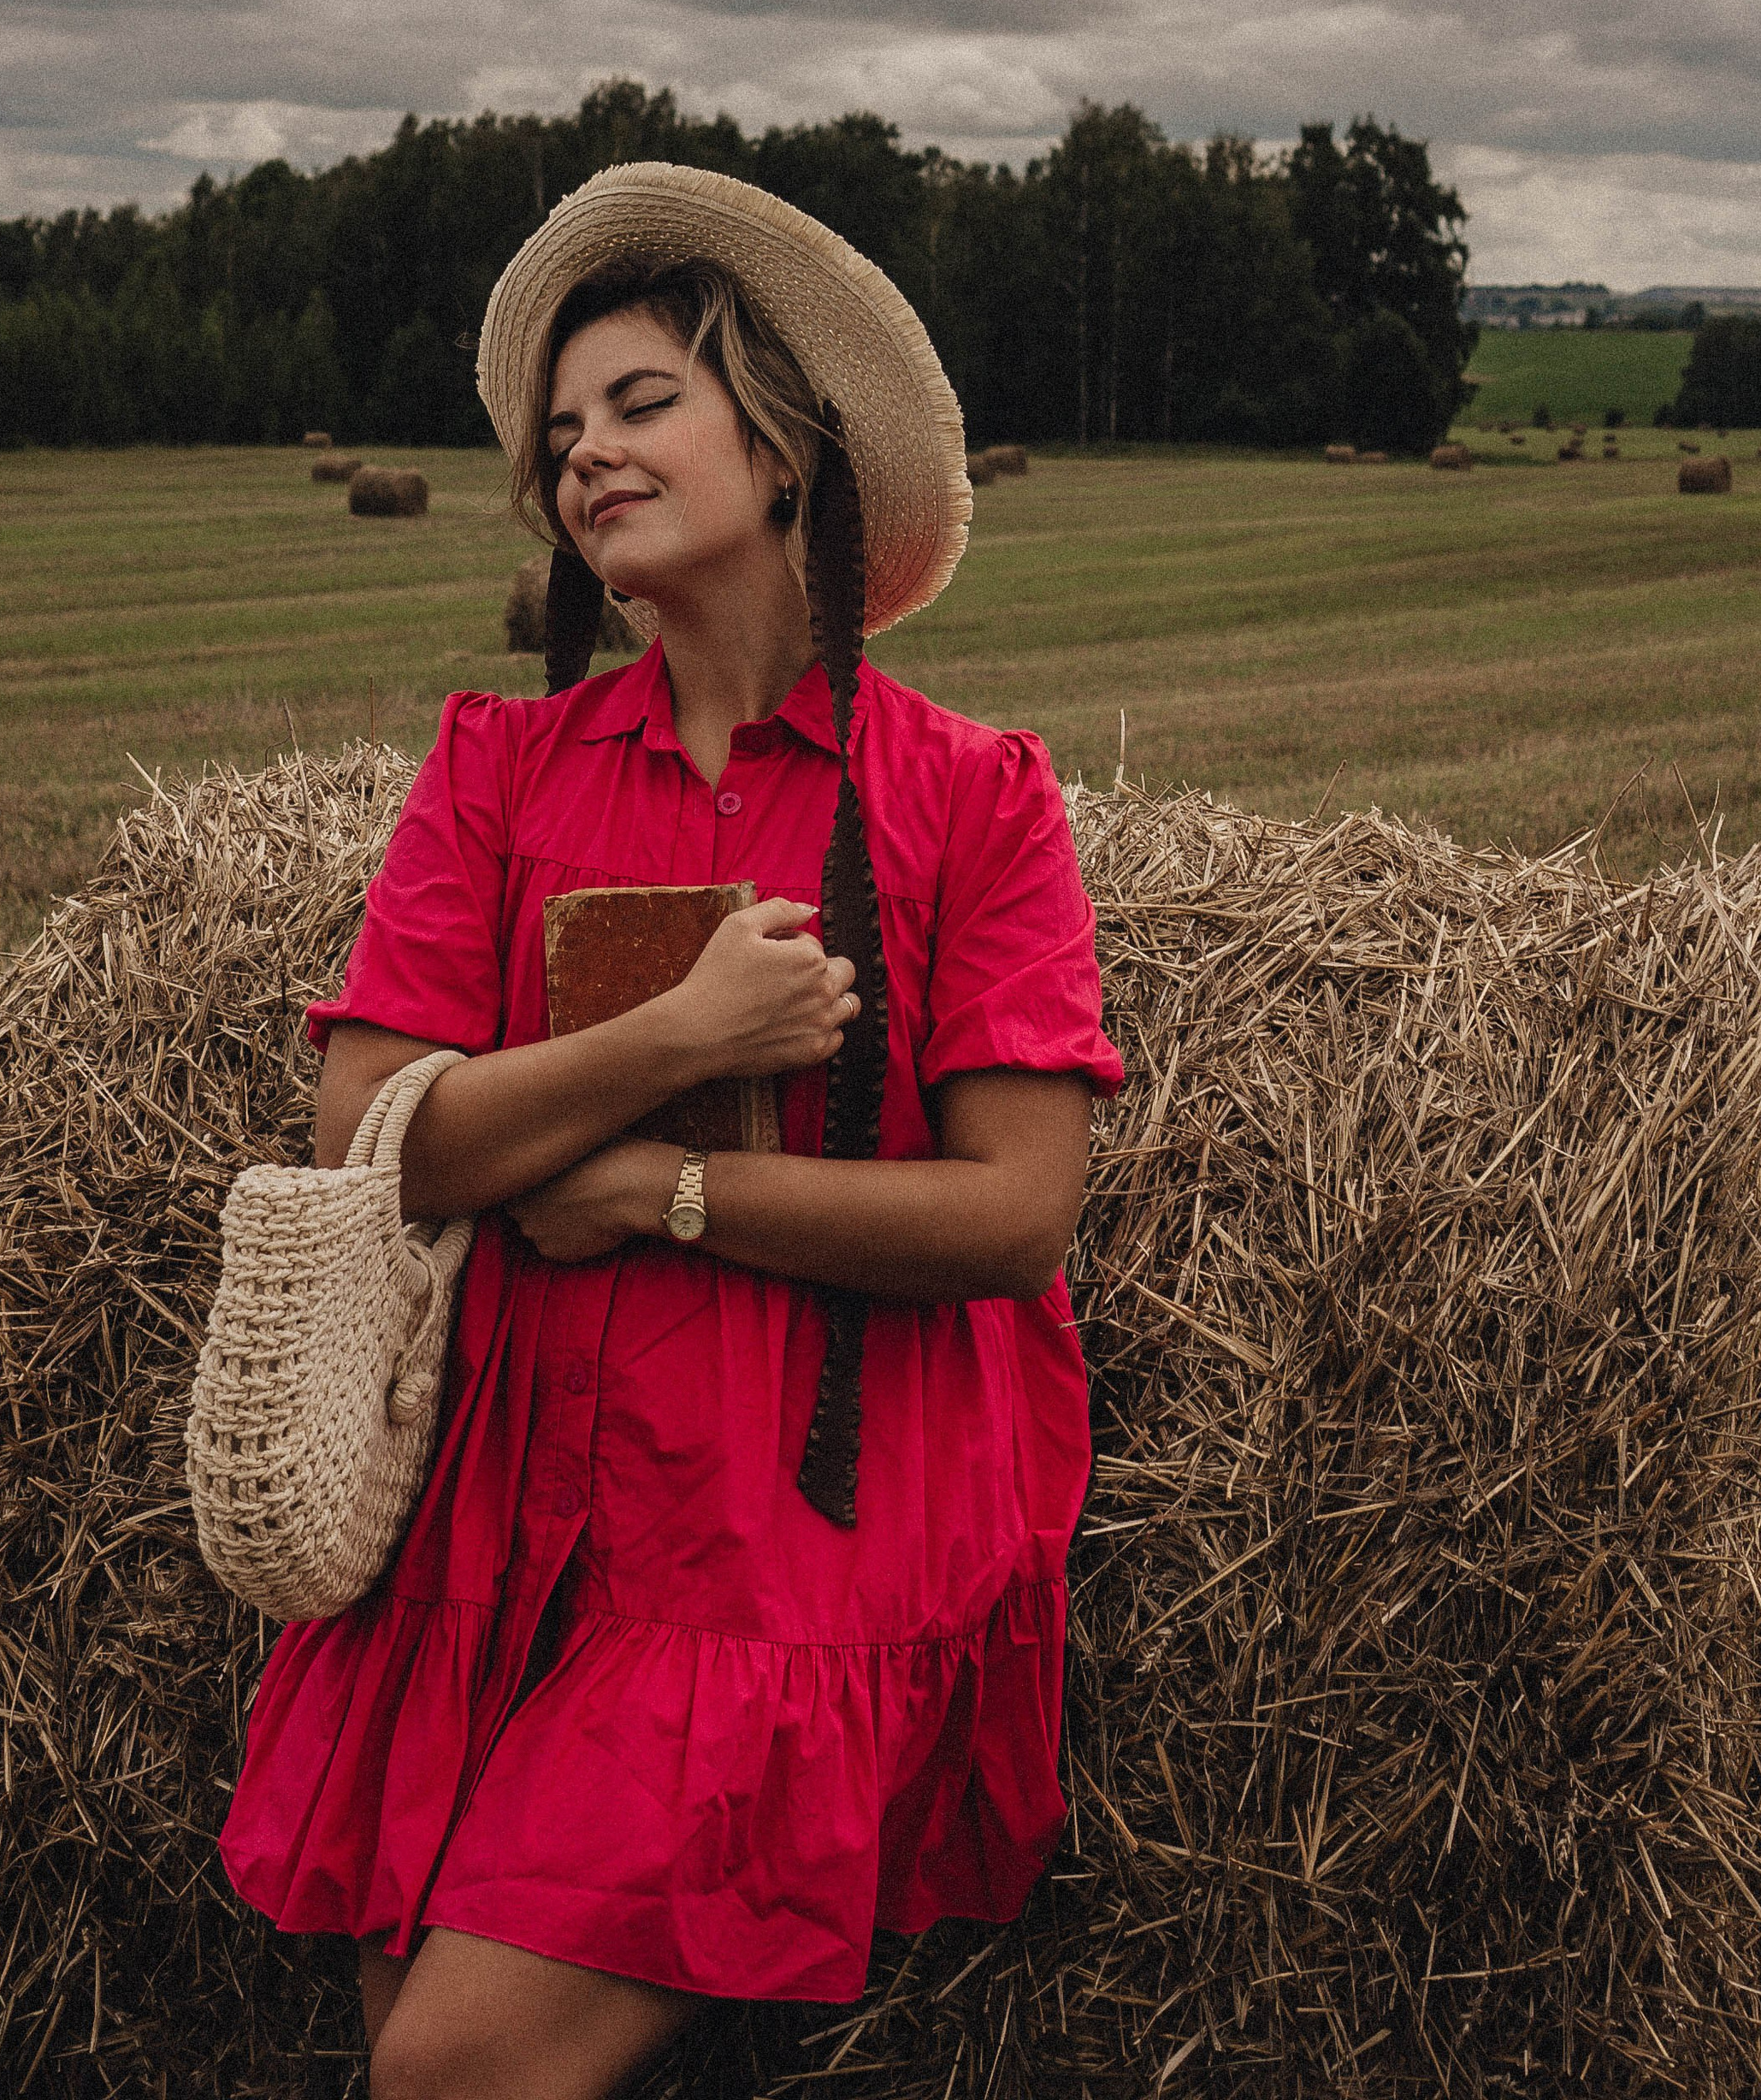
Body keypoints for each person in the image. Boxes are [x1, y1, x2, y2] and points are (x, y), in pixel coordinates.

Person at [221, 163, 1120, 2100]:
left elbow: (1013, 1216)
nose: (586, 460)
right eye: (561, 436)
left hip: (783, 1541)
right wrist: (681, 1038)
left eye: (640, 406)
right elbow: (380, 1134)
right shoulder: (500, 769)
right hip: (495, 1510)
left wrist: (673, 1193)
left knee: (451, 2071)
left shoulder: (968, 800)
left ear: (786, 446)